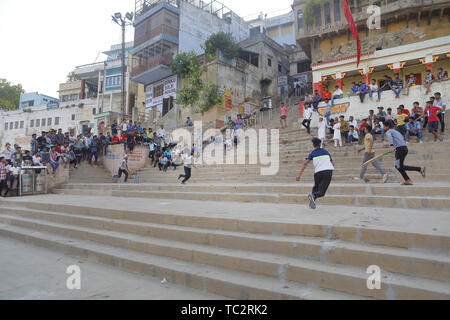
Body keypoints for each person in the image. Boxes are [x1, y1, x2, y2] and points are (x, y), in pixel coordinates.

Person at [296, 138, 335, 210]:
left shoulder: (312, 153)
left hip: (317, 172)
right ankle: (313, 196)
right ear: (320, 144)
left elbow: (305, 163)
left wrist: (299, 175)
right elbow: (332, 162)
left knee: (316, 188)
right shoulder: (326, 152)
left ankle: (312, 200)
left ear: (313, 145)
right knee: (321, 192)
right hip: (327, 171)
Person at [384, 120, 425, 185]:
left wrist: (391, 146)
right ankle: (414, 173)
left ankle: (416, 172)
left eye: (384, 126)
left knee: (398, 166)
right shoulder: (396, 131)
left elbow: (389, 137)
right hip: (403, 148)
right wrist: (395, 146)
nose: (383, 127)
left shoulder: (388, 131)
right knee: (398, 166)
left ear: (387, 126)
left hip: (400, 149)